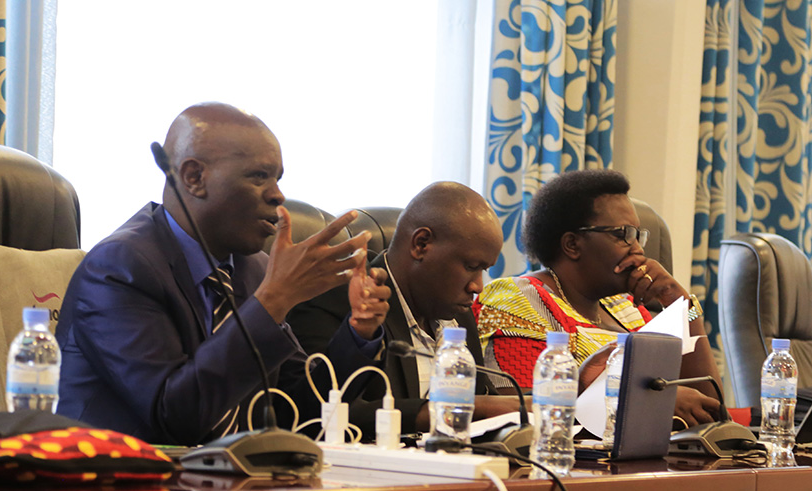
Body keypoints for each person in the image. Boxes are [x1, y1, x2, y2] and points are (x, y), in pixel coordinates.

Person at [55, 102, 390, 445]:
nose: (278, 194)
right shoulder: (120, 266)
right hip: (121, 477)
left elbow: (296, 410)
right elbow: (174, 418)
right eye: (259, 176)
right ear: (194, 178)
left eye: (277, 178)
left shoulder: (253, 268)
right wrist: (273, 300)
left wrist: (358, 331)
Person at [475, 169, 722, 427]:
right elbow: (528, 411)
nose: (638, 249)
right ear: (572, 244)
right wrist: (658, 401)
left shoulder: (628, 309)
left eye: (638, 235)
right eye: (623, 234)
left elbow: (709, 406)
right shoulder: (518, 299)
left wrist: (681, 305)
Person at [288, 182, 519, 439]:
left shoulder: (458, 314)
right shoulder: (337, 298)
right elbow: (317, 414)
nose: (477, 286)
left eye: (483, 270)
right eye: (471, 266)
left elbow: (485, 399)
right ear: (421, 244)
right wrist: (452, 410)